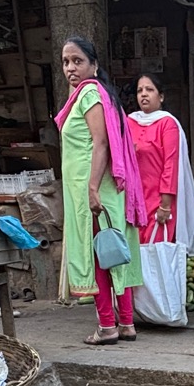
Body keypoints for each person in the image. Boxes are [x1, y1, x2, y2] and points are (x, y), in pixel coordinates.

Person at [56, 36, 148, 345]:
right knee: (112, 252)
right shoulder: (98, 93)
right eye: (66, 62)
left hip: (93, 189)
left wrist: (92, 188)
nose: (71, 68)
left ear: (94, 65)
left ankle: (107, 326)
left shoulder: (89, 94)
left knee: (97, 255)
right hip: (102, 189)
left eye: (78, 61)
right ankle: (126, 324)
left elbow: (101, 143)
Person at [126, 73, 194, 252]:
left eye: (149, 89)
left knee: (157, 254)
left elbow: (170, 165)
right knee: (135, 254)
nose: (144, 94)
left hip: (158, 201)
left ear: (161, 96)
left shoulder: (167, 124)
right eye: (140, 90)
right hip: (132, 201)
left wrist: (165, 205)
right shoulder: (128, 122)